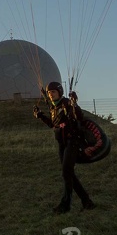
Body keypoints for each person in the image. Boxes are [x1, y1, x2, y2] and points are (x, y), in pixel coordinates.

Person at [33, 81, 95, 214]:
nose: (50, 95)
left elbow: (79, 116)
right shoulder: (54, 108)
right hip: (62, 144)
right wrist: (41, 116)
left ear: (59, 92)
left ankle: (65, 205)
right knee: (69, 173)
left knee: (66, 172)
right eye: (49, 93)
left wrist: (75, 103)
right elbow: (53, 124)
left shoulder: (67, 103)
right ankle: (87, 202)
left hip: (72, 141)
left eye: (53, 92)